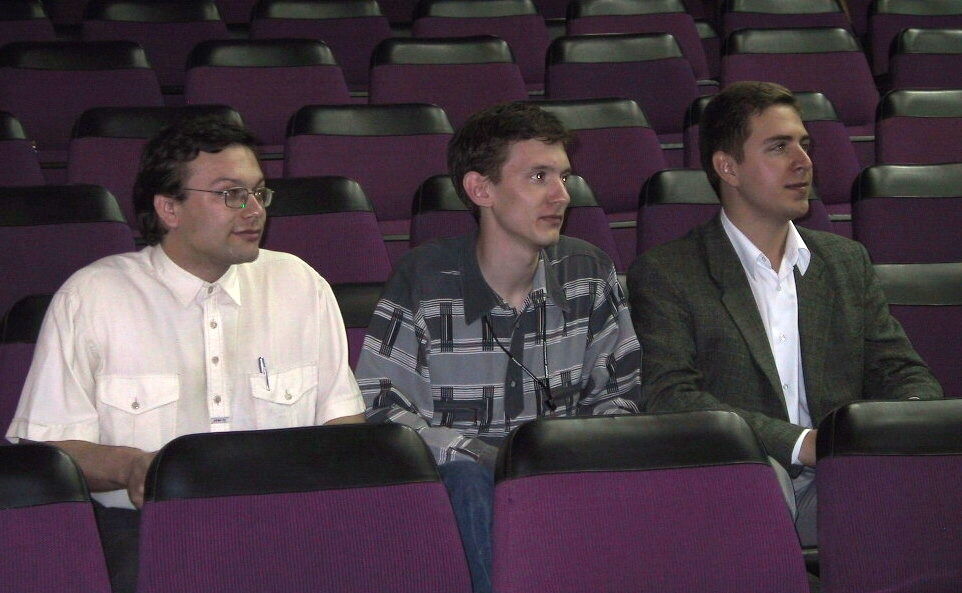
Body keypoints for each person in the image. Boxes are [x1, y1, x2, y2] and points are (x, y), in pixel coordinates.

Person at [6, 116, 365, 592]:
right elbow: (50, 449)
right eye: (231, 194)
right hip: (144, 531)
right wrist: (132, 467)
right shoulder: (92, 297)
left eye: (259, 193)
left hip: (287, 523)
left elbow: (342, 425)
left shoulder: (299, 284)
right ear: (169, 208)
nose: (254, 210)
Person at [627, 81, 943, 547]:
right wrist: (800, 444)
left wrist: (909, 422)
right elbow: (671, 396)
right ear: (728, 167)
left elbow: (899, 369)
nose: (803, 161)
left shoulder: (844, 261)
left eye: (804, 144)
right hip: (741, 478)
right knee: (766, 481)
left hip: (843, 477)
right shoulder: (669, 273)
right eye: (779, 147)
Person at [355, 102, 642, 592]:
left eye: (564, 177)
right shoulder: (425, 279)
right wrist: (491, 461)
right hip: (456, 495)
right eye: (538, 177)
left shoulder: (589, 272)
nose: (561, 195)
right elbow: (384, 409)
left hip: (565, 482)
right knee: (468, 485)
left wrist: (558, 461)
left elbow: (621, 395)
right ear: (480, 189)